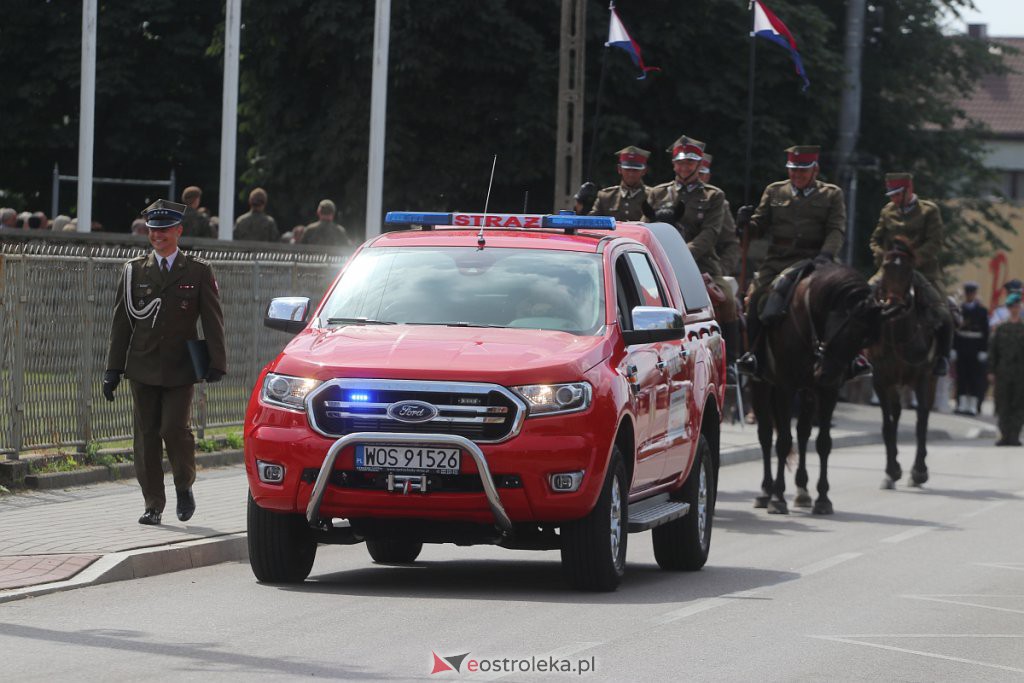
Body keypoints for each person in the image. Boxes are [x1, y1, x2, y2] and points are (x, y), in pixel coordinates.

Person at [103, 199, 227, 525]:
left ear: (178, 231)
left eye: (165, 230)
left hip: (179, 367)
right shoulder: (133, 271)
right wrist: (113, 369)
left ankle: (184, 485)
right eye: (153, 230)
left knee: (174, 429)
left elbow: (213, 320)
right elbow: (122, 323)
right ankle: (153, 504)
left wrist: (217, 362)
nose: (158, 236)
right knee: (145, 437)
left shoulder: (198, 271)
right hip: (142, 365)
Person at [735, 145, 847, 377]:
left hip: (816, 261)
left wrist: (826, 254)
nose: (797, 176)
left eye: (802, 171)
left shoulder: (832, 194)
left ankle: (847, 360)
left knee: (844, 303)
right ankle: (754, 355)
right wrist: (745, 224)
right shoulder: (775, 191)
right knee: (756, 299)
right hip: (778, 261)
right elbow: (759, 227)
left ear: (815, 169)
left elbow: (836, 229)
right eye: (793, 170)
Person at [869, 173, 953, 375]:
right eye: (892, 195)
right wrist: (884, 257)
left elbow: (935, 241)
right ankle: (858, 354)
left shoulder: (929, 211)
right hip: (892, 270)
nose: (894, 199)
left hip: (923, 271)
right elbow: (875, 240)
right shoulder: (887, 211)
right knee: (861, 300)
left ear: (909, 189)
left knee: (944, 313)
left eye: (898, 194)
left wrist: (914, 259)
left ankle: (942, 357)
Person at [987, 291, 1024, 446]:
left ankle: (1014, 435)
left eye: (1017, 306)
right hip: (1003, 372)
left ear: (1020, 307)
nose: (1014, 309)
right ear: (1008, 308)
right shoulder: (1001, 329)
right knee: (1002, 403)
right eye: (1011, 307)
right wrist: (991, 371)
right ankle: (1004, 435)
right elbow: (993, 351)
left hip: (1021, 373)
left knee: (1019, 403)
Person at [588, 146, 652, 221]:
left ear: (644, 171)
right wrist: (582, 206)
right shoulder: (605, 196)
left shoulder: (652, 195)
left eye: (635, 170)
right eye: (627, 169)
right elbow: (591, 223)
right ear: (619, 169)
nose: (631, 174)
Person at [954, 281, 989, 415]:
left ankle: (973, 406)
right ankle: (961, 404)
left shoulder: (982, 311)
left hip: (976, 347)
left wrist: (984, 350)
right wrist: (954, 348)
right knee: (961, 376)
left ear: (975, 294)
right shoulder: (960, 309)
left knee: (975, 377)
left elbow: (985, 332)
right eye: (968, 293)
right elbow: (955, 331)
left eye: (972, 293)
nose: (970, 295)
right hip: (962, 346)